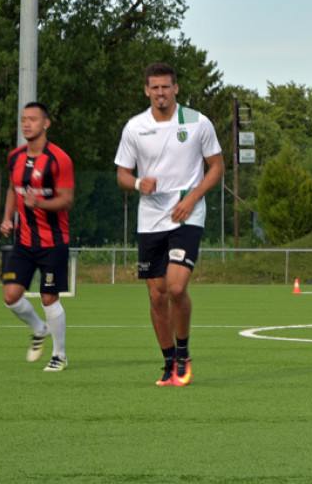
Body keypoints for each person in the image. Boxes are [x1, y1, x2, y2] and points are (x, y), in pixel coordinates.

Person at [115, 62, 224, 386]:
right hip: (150, 219)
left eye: (166, 87)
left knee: (177, 287)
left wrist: (192, 199)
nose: (161, 92)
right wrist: (137, 185)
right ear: (147, 90)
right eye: (155, 87)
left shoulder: (197, 121)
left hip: (187, 215)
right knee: (157, 295)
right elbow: (122, 173)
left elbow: (216, 167)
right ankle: (167, 362)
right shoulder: (135, 127)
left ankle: (183, 352)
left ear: (176, 88)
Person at [0, 102, 76, 372]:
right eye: (23, 119)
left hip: (53, 242)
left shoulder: (59, 159)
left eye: (32, 119)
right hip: (23, 241)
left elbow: (67, 200)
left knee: (48, 297)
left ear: (46, 124)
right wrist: (8, 218)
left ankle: (59, 355)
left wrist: (39, 204)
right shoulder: (15, 157)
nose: (26, 124)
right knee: (10, 296)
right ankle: (38, 328)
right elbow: (13, 188)